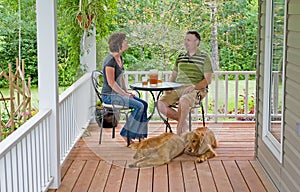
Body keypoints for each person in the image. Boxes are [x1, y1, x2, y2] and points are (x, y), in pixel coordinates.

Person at [158, 30, 213, 135]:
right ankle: (183, 122)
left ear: (197, 42)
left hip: (196, 89)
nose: (185, 42)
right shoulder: (180, 56)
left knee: (184, 101)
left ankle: (179, 132)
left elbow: (208, 80)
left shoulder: (204, 57)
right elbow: (173, 75)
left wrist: (194, 86)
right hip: (178, 88)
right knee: (160, 104)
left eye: (188, 40)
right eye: (185, 40)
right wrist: (169, 86)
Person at [101, 32, 148, 145]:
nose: (126, 42)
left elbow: (120, 78)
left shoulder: (119, 58)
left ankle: (140, 136)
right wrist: (125, 95)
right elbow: (111, 83)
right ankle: (125, 134)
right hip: (109, 96)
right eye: (124, 41)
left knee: (144, 104)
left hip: (118, 94)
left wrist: (126, 92)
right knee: (139, 106)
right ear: (119, 44)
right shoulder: (110, 61)